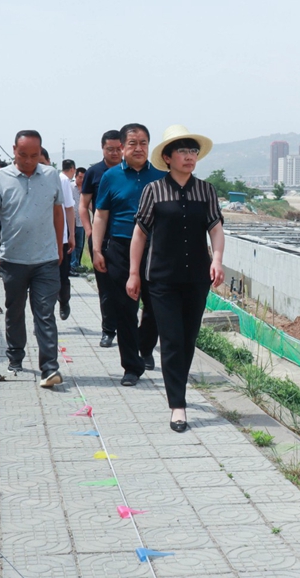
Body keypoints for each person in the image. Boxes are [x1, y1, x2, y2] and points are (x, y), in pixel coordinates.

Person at [127, 125, 224, 432]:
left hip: (197, 278)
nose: (189, 156)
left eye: (193, 151)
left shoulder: (206, 191)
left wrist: (217, 260)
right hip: (161, 279)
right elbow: (140, 234)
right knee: (170, 339)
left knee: (188, 339)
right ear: (167, 158)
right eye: (182, 151)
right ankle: (178, 405)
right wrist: (133, 274)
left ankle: (178, 391)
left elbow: (216, 228)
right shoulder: (153, 191)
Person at [0, 130, 65, 388]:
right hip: (13, 259)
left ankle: (49, 368)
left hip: (46, 260)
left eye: (34, 155)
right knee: (15, 310)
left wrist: (60, 247)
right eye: (23, 155)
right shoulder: (0, 178)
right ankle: (15, 355)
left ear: (41, 152)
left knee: (45, 312)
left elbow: (58, 213)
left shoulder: (51, 176)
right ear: (13, 151)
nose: (29, 160)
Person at [92, 123, 164, 386]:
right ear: (122, 147)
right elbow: (101, 215)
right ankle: (131, 367)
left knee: (156, 307)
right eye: (133, 143)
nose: (139, 148)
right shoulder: (111, 177)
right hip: (120, 248)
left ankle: (145, 347)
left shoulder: (160, 176)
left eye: (143, 143)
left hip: (155, 249)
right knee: (125, 308)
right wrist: (97, 250)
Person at [80, 130, 123, 347]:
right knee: (106, 288)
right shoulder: (94, 173)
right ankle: (108, 331)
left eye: (118, 149)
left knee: (127, 287)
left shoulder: (131, 171)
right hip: (102, 239)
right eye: (110, 149)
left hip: (127, 238)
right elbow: (83, 205)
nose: (114, 153)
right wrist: (90, 231)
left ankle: (129, 330)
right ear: (102, 148)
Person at [58, 159, 77, 319]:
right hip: (41, 239)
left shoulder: (62, 181)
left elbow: (69, 208)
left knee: (62, 275)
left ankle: (64, 301)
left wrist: (71, 234)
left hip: (61, 238)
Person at [69, 166, 86, 272]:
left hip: (81, 221)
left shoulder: (86, 189)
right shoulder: (70, 187)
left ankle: (77, 264)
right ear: (75, 176)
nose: (82, 180)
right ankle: (72, 265)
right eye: (80, 177)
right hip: (72, 220)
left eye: (84, 177)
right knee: (73, 244)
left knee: (80, 244)